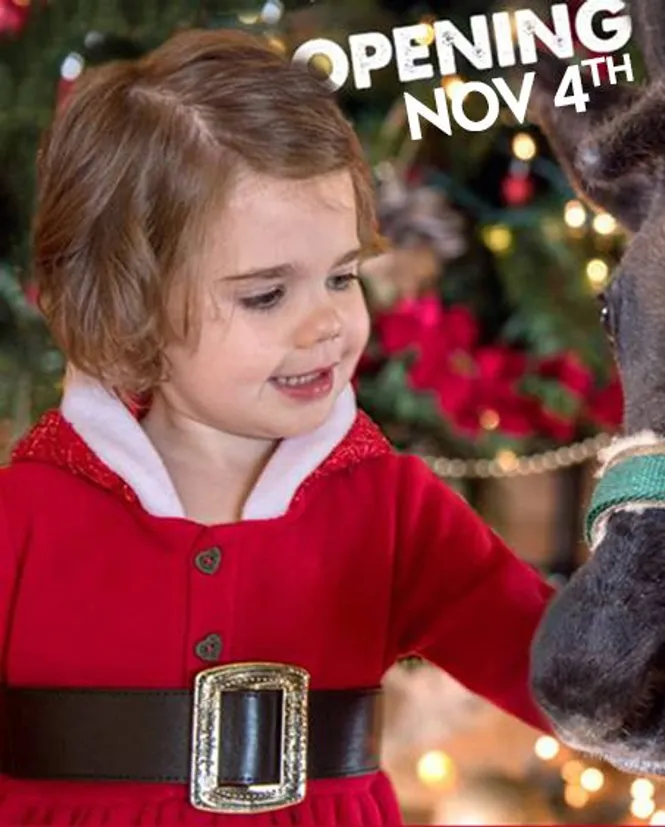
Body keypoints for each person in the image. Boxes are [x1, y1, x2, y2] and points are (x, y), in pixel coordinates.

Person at [0, 26, 554, 825]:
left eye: (342, 275)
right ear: (131, 307)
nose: (326, 323)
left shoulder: (392, 508)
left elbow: (570, 675)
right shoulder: (25, 514)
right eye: (266, 294)